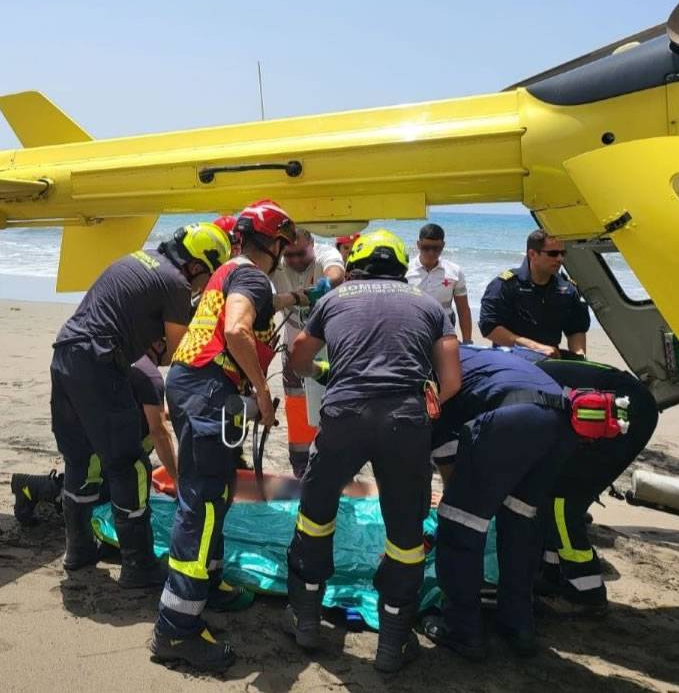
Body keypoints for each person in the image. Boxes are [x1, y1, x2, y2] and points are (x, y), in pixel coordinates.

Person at [284, 230, 462, 673]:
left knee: (316, 512)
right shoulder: (427, 304)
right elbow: (453, 382)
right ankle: (392, 644)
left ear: (356, 261)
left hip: (344, 415)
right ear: (403, 265)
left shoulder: (334, 299)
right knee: (405, 534)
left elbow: (297, 357)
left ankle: (306, 619)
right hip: (405, 420)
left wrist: (327, 372)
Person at [149, 199, 296, 672]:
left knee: (216, 491)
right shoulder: (254, 276)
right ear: (274, 244)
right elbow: (236, 331)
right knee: (204, 505)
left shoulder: (226, 273)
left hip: (194, 384)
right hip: (213, 390)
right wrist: (262, 393)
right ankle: (176, 628)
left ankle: (209, 584)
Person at [51, 222, 231, 590]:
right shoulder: (175, 284)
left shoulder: (139, 258)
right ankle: (139, 564)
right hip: (99, 361)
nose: (200, 287)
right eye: (205, 278)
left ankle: (79, 548)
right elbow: (183, 353)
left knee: (80, 459)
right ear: (197, 266)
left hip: (66, 355)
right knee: (129, 465)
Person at [423, 346, 578, 660]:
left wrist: (460, 504)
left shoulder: (430, 373)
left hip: (513, 418)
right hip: (561, 421)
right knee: (520, 520)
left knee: (458, 523)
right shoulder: (472, 356)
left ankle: (462, 630)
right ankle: (518, 624)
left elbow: (445, 456)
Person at [515, 352, 659, 616]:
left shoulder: (514, 387)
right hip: (614, 404)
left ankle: (585, 593)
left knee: (561, 503)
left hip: (621, 415)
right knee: (549, 491)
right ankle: (553, 573)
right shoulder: (517, 371)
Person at [10, 355, 178, 527]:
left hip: (93, 435)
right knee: (89, 497)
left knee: (98, 488)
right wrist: (177, 480)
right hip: (102, 444)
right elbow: (159, 432)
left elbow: (146, 409)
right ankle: (29, 487)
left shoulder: (132, 363)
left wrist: (174, 414)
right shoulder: (149, 377)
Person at [271, 228, 346, 476]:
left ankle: (336, 461)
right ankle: (300, 465)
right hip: (293, 348)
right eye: (289, 255)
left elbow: (336, 272)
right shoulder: (277, 264)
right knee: (296, 406)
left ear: (312, 244)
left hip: (328, 349)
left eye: (301, 253)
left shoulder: (326, 254)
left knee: (333, 405)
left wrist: (326, 284)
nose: (294, 260)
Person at [479, 230, 590, 358]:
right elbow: (489, 327)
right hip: (510, 359)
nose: (560, 259)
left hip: (550, 360)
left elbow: (576, 328)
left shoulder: (567, 288)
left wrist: (579, 356)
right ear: (532, 254)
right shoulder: (505, 285)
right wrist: (534, 348)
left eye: (562, 253)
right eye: (553, 253)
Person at [406, 223, 473, 344]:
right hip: (414, 327)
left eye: (436, 248)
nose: (431, 253)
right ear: (418, 244)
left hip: (444, 327)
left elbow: (463, 309)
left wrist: (467, 341)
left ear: (443, 245)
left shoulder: (455, 271)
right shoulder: (405, 271)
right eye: (426, 248)